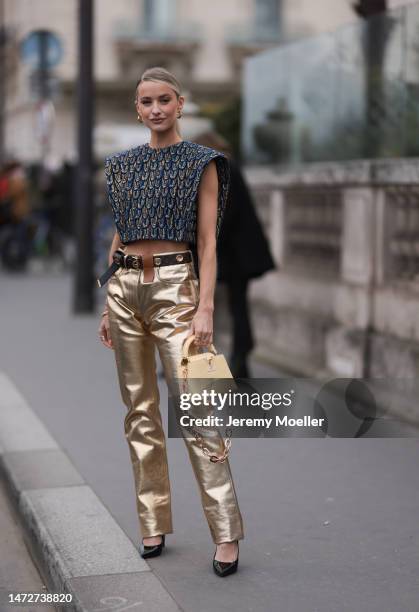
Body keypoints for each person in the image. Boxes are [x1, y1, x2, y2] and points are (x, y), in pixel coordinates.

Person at [97, 67, 243, 577]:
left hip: (178, 290)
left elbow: (207, 241)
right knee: (139, 411)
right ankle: (152, 521)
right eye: (146, 101)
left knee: (199, 408)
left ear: (180, 104)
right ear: (137, 109)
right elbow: (120, 234)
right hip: (124, 289)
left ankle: (226, 533)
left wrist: (205, 306)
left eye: (164, 100)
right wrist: (107, 298)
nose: (155, 109)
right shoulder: (119, 166)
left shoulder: (203, 161)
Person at [192, 132, 276, 378]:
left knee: (226, 304)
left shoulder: (221, 170)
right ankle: (240, 356)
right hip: (240, 250)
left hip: (235, 252)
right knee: (236, 304)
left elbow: (223, 215)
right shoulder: (226, 167)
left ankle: (238, 353)